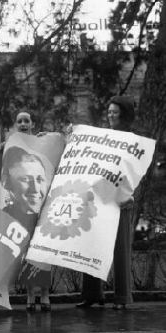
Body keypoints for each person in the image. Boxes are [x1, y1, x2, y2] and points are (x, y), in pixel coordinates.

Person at [76, 95, 135, 311]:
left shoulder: (132, 140)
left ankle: (121, 297)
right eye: (109, 112)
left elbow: (135, 170)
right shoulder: (103, 137)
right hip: (99, 199)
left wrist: (130, 194)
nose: (110, 115)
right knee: (92, 246)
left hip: (121, 200)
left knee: (119, 250)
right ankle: (92, 294)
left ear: (124, 115)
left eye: (115, 112)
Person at [1, 144, 51, 311]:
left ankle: (45, 294)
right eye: (26, 179)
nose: (35, 189)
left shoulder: (42, 141)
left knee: (43, 255)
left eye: (39, 179)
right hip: (21, 219)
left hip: (41, 219)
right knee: (26, 256)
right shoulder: (7, 215)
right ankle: (30, 295)